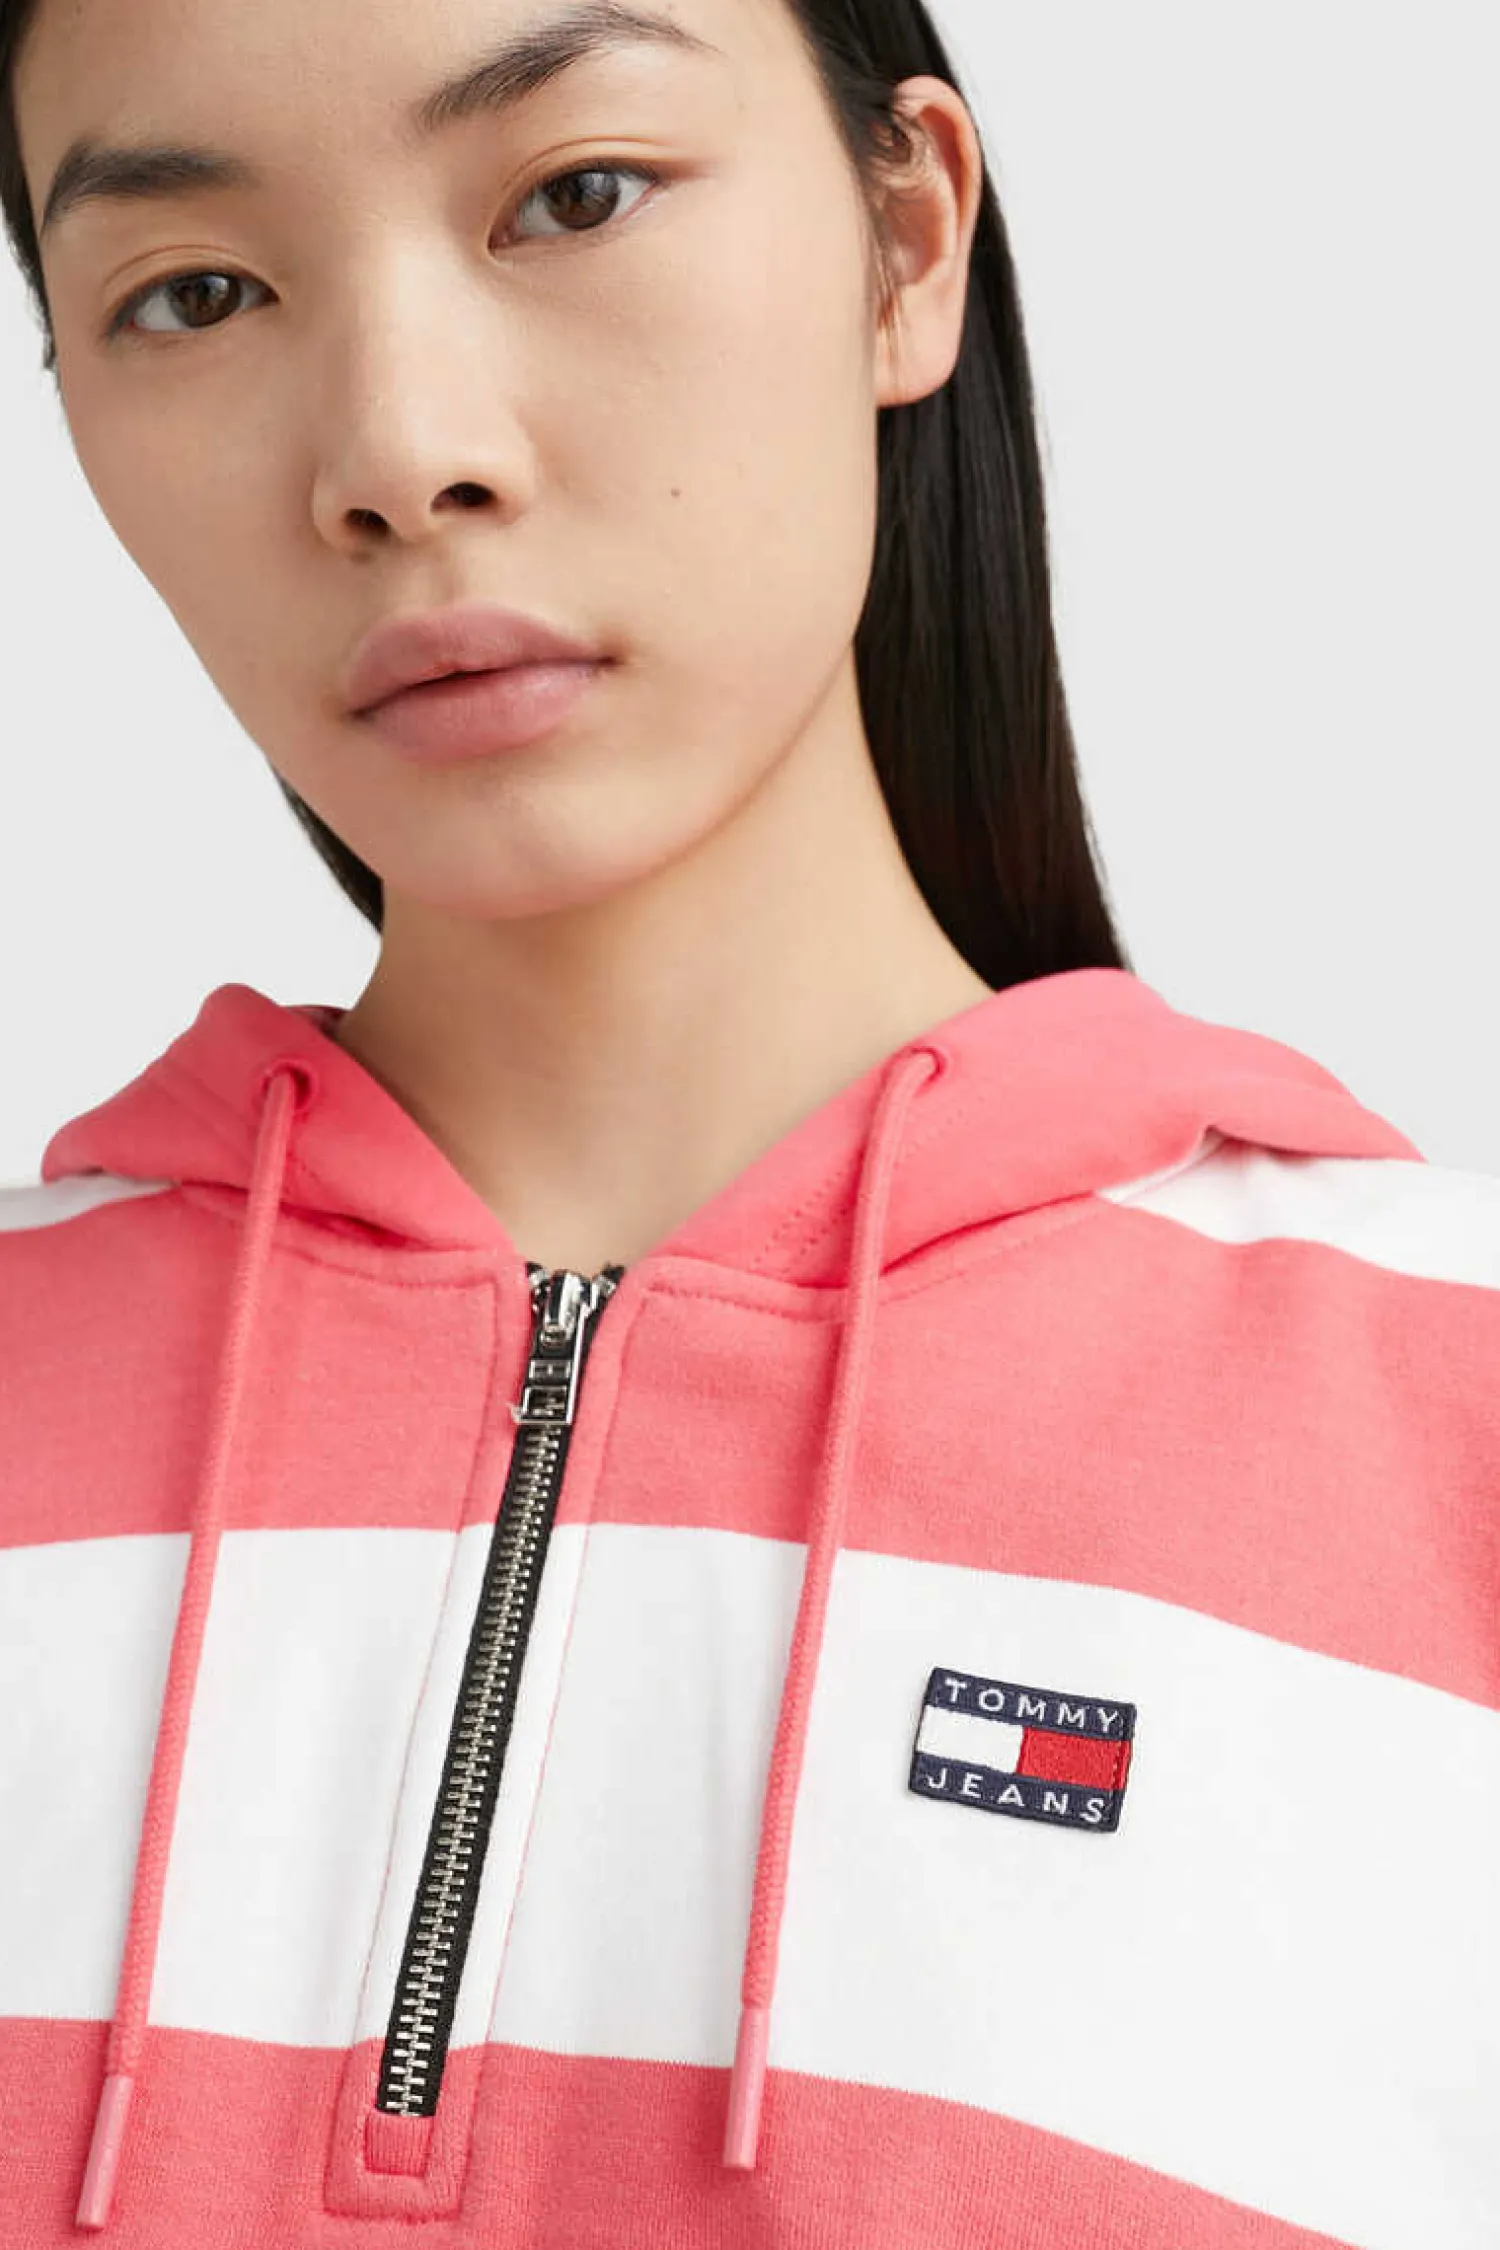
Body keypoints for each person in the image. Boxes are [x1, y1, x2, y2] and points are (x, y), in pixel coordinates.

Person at [1, 0, 1497, 2242]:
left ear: (907, 240)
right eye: (196, 292)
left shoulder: (1452, 1424)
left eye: (575, 193)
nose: (399, 452)